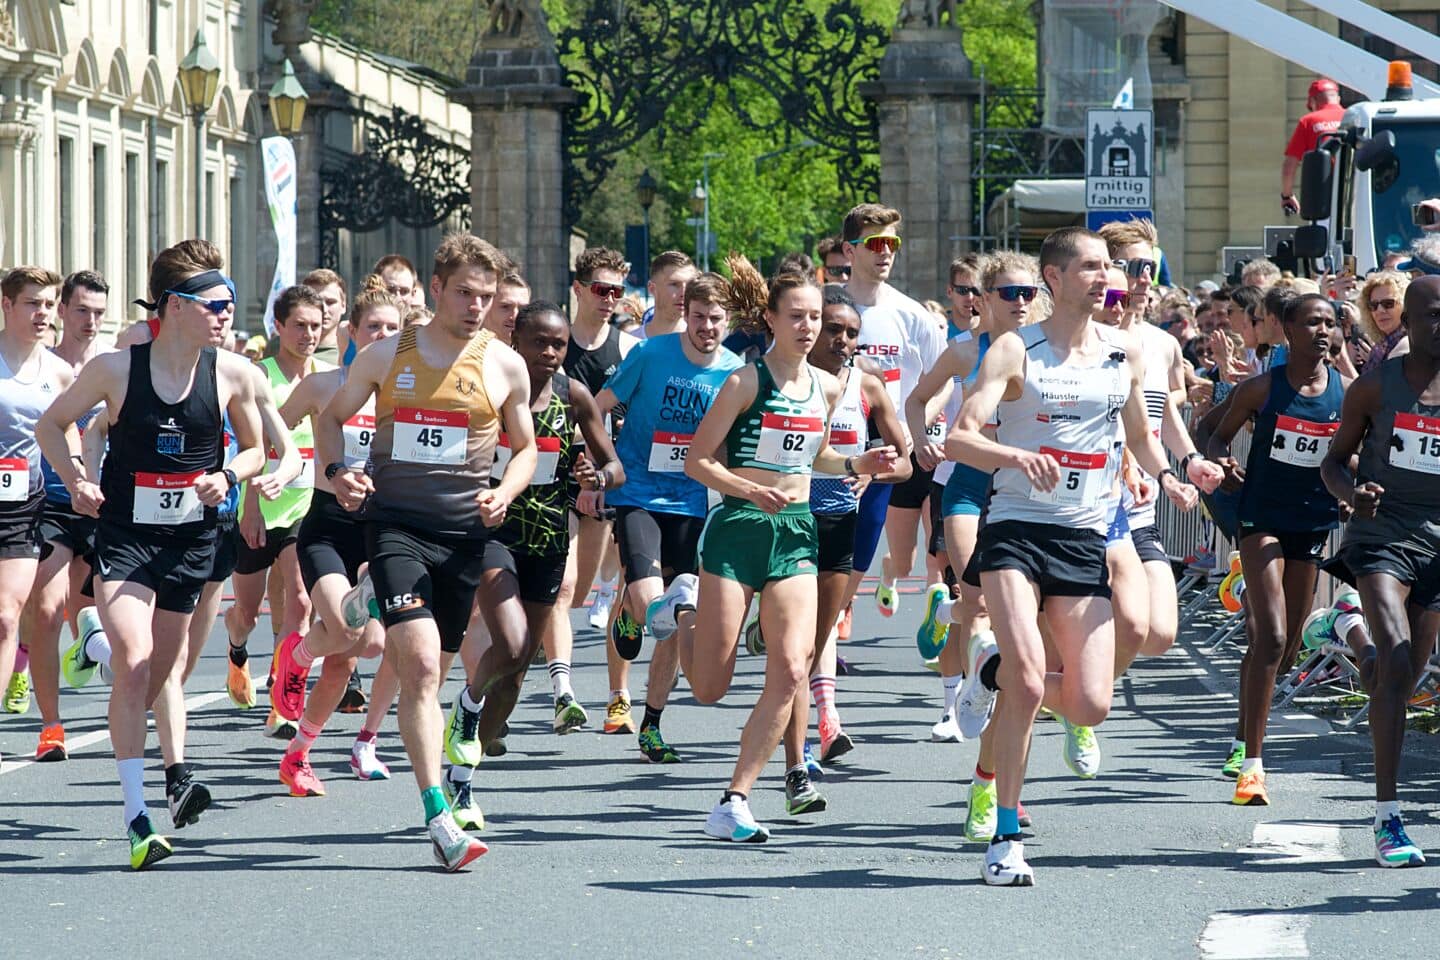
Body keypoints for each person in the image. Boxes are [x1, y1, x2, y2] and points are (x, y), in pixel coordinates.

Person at [949, 227, 1219, 886]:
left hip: (1085, 537)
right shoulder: (1017, 348)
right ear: (1055, 277)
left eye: (1111, 269)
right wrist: (1015, 455)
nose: (1107, 279)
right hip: (1016, 530)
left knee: (1092, 703)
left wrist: (1175, 475)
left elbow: (1141, 438)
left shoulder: (1122, 355)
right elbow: (961, 436)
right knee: (1031, 675)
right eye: (1093, 268)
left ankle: (988, 673)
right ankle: (1006, 837)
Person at [36, 239, 268, 869]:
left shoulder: (232, 374)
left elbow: (258, 450)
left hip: (192, 540)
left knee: (162, 673)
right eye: (213, 303)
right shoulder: (117, 369)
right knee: (138, 665)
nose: (225, 313)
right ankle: (139, 819)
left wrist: (232, 476)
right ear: (174, 306)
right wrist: (80, 479)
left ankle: (96, 645)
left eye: (228, 303)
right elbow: (50, 424)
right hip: (125, 537)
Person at [315, 233, 535, 871]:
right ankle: (438, 813)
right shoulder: (387, 355)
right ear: (435, 289)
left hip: (464, 535)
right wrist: (337, 470)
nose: (475, 305)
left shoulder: (504, 364)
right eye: (464, 292)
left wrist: (507, 490)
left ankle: (363, 602)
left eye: (486, 296)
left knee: (437, 663)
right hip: (395, 526)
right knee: (422, 671)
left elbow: (524, 448)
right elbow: (331, 419)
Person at [665, 257, 896, 840]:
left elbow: (812, 458)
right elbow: (699, 461)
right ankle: (682, 610)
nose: (809, 327)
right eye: (796, 316)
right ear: (769, 319)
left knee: (791, 669)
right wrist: (749, 489)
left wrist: (857, 463)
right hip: (738, 529)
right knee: (709, 688)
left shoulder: (828, 385)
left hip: (795, 531)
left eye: (815, 317)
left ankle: (734, 800)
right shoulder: (744, 382)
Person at [438, 300, 623, 827]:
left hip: (548, 540)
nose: (547, 352)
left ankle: (477, 732)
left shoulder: (574, 395)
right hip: (493, 533)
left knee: (517, 671)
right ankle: (465, 732)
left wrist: (597, 480)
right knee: (514, 640)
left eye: (558, 344)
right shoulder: (491, 390)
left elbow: (616, 466)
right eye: (538, 341)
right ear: (514, 338)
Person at [592, 271, 743, 760]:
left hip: (693, 502)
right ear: (686, 314)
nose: (707, 328)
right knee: (655, 603)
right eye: (698, 317)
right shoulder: (651, 354)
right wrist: (599, 460)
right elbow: (598, 406)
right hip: (639, 492)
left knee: (676, 621)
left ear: (729, 321)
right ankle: (631, 613)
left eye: (716, 319)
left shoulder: (736, 372)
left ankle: (652, 724)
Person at [1319, 275, 1440, 868]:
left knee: (1406, 672)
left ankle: (1351, 637)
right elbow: (1333, 464)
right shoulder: (1373, 388)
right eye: (1435, 316)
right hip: (1384, 532)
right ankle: (1389, 817)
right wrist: (1352, 495)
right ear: (1408, 323)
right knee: (1398, 664)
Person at [267, 285, 406, 796]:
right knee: (349, 635)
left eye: (394, 329)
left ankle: (297, 750)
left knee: (360, 650)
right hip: (327, 527)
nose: (383, 336)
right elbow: (271, 437)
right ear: (352, 332)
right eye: (374, 327)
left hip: (381, 528)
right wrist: (285, 470)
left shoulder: (406, 397)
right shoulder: (323, 387)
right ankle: (298, 661)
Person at [1207, 294, 1345, 805]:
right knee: (1271, 633)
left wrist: (1354, 491)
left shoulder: (1346, 393)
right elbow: (1213, 436)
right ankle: (1253, 766)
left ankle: (1244, 734)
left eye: (1330, 323)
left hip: (1311, 523)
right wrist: (1222, 465)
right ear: (1288, 329)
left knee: (1285, 651)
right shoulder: (1263, 388)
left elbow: (1353, 456)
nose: (1323, 331)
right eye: (1312, 322)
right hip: (1260, 518)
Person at [910, 251, 1036, 747]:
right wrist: (921, 440)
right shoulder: (965, 350)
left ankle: (944, 616)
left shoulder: (1046, 350)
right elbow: (918, 398)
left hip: (1021, 495)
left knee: (1017, 612)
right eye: (1010, 293)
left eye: (1029, 293)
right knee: (978, 601)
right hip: (965, 486)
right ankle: (968, 690)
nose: (1022, 302)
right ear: (986, 299)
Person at [796, 284, 909, 767]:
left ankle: (826, 720)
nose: (842, 340)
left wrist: (871, 468)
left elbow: (906, 463)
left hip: (840, 519)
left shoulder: (866, 386)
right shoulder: (783, 381)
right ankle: (808, 723)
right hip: (787, 521)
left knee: (819, 632)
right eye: (834, 329)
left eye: (852, 334)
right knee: (794, 635)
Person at [222, 285, 331, 739]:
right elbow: (252, 447)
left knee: (301, 599)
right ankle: (236, 649)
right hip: (260, 508)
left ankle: (285, 700)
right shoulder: (256, 376)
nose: (308, 334)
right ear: (279, 327)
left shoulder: (327, 377)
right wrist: (250, 507)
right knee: (246, 612)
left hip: (306, 507)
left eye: (316, 325)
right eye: (299, 325)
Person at [839, 203, 946, 624]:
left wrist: (912, 430)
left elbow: (943, 385)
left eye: (893, 243)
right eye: (875, 243)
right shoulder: (826, 310)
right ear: (850, 251)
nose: (886, 252)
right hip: (830, 449)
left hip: (886, 451)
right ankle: (807, 635)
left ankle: (826, 624)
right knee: (815, 551)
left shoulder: (912, 314)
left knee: (860, 556)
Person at [24, 269, 108, 761]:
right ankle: (51, 726)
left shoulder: (116, 366)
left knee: (92, 612)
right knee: (49, 609)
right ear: (62, 311)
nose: (90, 321)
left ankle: (86, 648)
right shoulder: (44, 366)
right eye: (81, 310)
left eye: (98, 313)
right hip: (52, 501)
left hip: (104, 505)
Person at [565, 246, 640, 729]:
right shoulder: (554, 343)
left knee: (620, 590)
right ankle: (561, 687)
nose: (610, 299)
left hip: (613, 477)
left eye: (617, 291)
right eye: (601, 290)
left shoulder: (629, 350)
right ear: (578, 289)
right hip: (561, 476)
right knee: (568, 591)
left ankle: (619, 696)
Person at [0, 267, 72, 764]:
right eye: (32, 303)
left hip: (24, 503)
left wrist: (81, 477)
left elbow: (68, 434)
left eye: (48, 304)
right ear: (7, 305)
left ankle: (39, 722)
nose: (42, 313)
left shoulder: (59, 372)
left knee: (9, 615)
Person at [1281, 78, 1344, 216]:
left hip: (1322, 200)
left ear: (1313, 102)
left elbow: (1289, 167)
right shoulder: (1354, 116)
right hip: (1355, 195)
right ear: (1338, 98)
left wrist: (1287, 196)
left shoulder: (1309, 121)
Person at [639, 251, 697, 340]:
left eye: (690, 285)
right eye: (674, 284)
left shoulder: (701, 343)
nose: (684, 293)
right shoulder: (628, 343)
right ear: (652, 289)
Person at [1358, 270, 1410, 368]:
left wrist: (1342, 359)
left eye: (1388, 303)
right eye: (1373, 305)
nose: (1379, 310)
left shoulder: (1409, 344)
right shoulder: (1380, 346)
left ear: (1405, 305)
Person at [301, 268, 348, 365]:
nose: (324, 309)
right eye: (316, 302)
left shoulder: (352, 354)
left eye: (330, 302)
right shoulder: (280, 346)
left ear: (343, 305)